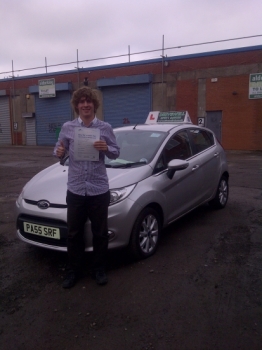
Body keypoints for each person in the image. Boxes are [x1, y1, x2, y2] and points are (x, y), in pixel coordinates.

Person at [54, 87, 120, 288]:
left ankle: (98, 269)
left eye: (88, 101)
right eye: (81, 102)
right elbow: (59, 151)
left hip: (98, 190)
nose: (85, 105)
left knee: (100, 233)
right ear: (76, 106)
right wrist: (59, 151)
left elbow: (116, 152)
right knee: (74, 233)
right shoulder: (67, 127)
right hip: (75, 189)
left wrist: (106, 148)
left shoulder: (105, 128)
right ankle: (73, 271)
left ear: (94, 105)